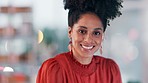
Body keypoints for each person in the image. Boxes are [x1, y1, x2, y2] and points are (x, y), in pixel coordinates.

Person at [36, 0, 123, 83]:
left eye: (96, 33)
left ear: (102, 36)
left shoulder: (110, 70)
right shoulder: (55, 69)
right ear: (70, 32)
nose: (88, 39)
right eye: (82, 31)